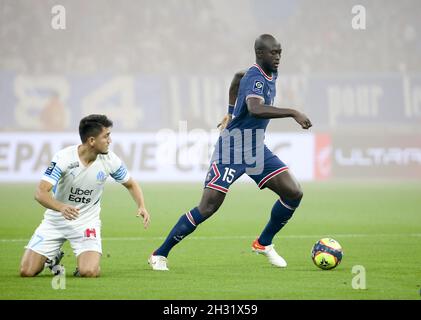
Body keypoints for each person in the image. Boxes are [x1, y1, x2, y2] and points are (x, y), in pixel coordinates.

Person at [148, 34, 312, 271]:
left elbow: (236, 78)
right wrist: (293, 112)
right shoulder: (256, 76)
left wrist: (230, 112)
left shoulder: (270, 72)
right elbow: (255, 109)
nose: (277, 57)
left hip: (255, 149)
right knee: (207, 208)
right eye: (273, 53)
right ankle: (159, 254)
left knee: (293, 193)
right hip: (232, 149)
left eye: (280, 52)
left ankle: (263, 243)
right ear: (259, 53)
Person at [20, 114, 150, 277]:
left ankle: (82, 264)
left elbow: (131, 184)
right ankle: (52, 258)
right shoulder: (64, 158)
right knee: (26, 271)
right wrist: (61, 207)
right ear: (91, 141)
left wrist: (141, 206)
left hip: (86, 223)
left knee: (88, 271)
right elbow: (40, 192)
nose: (110, 140)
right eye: (106, 136)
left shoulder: (110, 159)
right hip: (55, 221)